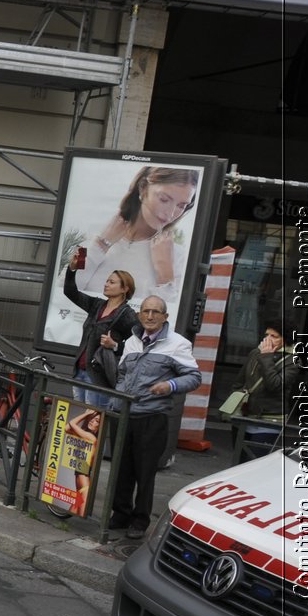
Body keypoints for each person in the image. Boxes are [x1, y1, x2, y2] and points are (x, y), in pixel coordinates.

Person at [105, 295, 200, 537]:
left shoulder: (178, 344)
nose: (150, 316)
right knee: (121, 468)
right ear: (139, 315)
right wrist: (116, 398)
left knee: (145, 472)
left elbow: (194, 377)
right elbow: (123, 373)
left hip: (151, 416)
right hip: (123, 413)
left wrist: (170, 385)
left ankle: (140, 520)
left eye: (156, 312)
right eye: (146, 311)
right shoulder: (132, 341)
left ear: (165, 317)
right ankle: (121, 513)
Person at [73, 166, 197, 304]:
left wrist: (165, 276)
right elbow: (62, 289)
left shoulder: (178, 256)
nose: (171, 213)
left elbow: (170, 317)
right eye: (164, 199)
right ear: (143, 188)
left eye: (181, 206)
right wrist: (100, 245)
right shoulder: (92, 234)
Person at [63, 252, 137, 405]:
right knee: (76, 417)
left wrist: (115, 345)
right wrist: (72, 269)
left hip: (98, 377)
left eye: (112, 282)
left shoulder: (127, 315)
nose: (106, 284)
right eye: (107, 281)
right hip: (79, 372)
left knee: (93, 421)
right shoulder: (97, 305)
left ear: (125, 289)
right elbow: (70, 292)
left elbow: (137, 346)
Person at [231, 323, 297, 461]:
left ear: (285, 339)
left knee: (253, 459)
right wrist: (235, 402)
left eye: (274, 336)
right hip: (245, 413)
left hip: (269, 418)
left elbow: (274, 385)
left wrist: (266, 357)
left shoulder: (292, 361)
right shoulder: (255, 353)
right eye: (267, 334)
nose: (268, 339)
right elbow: (239, 381)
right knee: (238, 459)